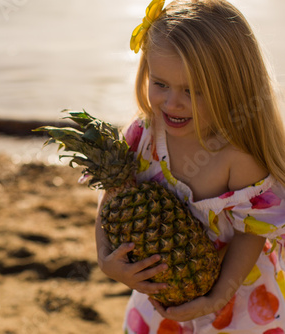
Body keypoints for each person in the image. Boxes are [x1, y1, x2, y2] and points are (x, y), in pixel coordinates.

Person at [95, 0, 285, 332]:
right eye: (160, 84)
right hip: (160, 299)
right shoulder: (143, 135)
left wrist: (217, 298)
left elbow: (252, 233)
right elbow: (113, 196)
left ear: (233, 88)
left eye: (193, 91)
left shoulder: (238, 157)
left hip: (237, 300)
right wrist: (105, 258)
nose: (172, 103)